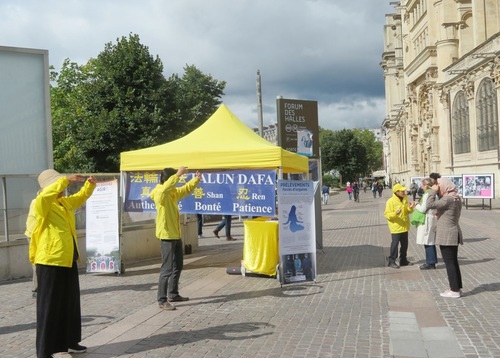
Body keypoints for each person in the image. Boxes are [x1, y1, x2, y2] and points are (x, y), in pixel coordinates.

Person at [29, 169, 96, 358]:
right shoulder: (41, 203)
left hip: (67, 260)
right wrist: (65, 180)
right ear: (49, 186)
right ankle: (46, 351)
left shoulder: (63, 203)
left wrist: (89, 185)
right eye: (57, 184)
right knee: (50, 307)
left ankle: (70, 341)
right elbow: (47, 195)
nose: (62, 189)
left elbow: (80, 197)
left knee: (70, 304)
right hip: (50, 261)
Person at [150, 167, 201, 311]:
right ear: (168, 179)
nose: (177, 181)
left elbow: (183, 190)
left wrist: (195, 180)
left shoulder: (171, 192)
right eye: (174, 178)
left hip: (175, 234)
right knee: (166, 269)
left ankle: (173, 294)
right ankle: (162, 300)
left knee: (178, 265)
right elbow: (164, 190)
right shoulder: (159, 192)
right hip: (166, 235)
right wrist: (178, 175)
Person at [427, 177, 463, 298]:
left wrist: (431, 191)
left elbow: (430, 204)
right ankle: (456, 287)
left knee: (449, 263)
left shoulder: (447, 199)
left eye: (439, 186)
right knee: (453, 261)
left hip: (447, 234)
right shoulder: (456, 198)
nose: (438, 189)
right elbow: (449, 214)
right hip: (454, 232)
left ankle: (454, 290)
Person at [384, 183, 415, 268]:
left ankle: (403, 260)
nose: (404, 192)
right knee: (395, 244)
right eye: (402, 191)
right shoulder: (390, 201)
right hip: (396, 227)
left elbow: (407, 211)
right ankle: (391, 261)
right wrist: (395, 213)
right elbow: (387, 215)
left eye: (404, 190)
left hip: (404, 226)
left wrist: (410, 207)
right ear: (397, 192)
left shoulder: (405, 199)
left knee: (405, 244)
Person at [411, 178, 438, 270]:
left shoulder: (428, 194)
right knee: (430, 241)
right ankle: (432, 261)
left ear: (426, 185)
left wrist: (416, 204)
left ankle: (430, 262)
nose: (422, 187)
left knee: (427, 241)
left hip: (427, 219)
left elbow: (423, 209)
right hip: (431, 218)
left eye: (422, 185)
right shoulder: (434, 193)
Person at [25, 197, 38, 298]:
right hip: (34, 235)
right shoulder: (38, 201)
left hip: (36, 234)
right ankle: (37, 289)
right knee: (37, 262)